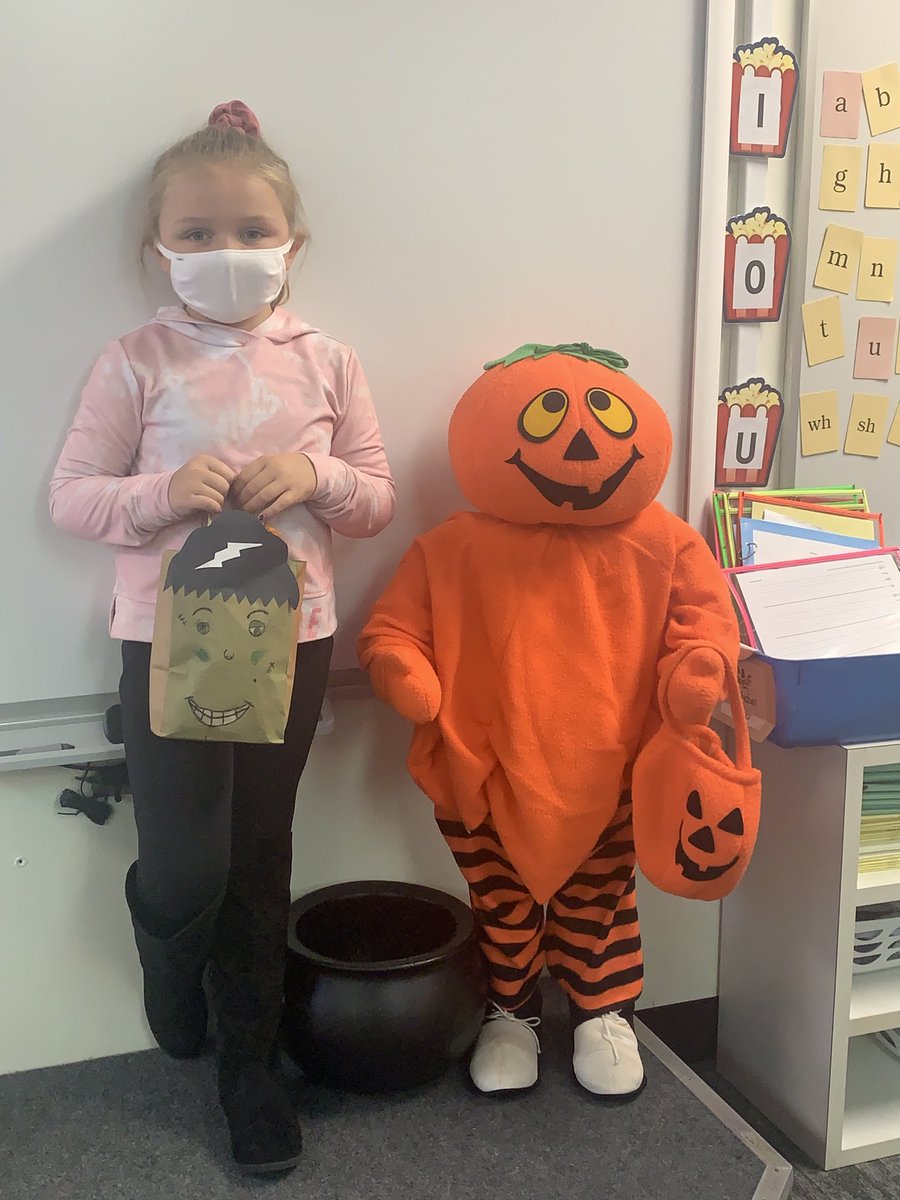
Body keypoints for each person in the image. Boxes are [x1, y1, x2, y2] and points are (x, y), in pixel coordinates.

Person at [49, 99, 395, 1174]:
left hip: (289, 641)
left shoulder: (328, 362)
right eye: (196, 233)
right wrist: (158, 495)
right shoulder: (136, 359)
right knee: (188, 861)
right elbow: (72, 497)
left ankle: (250, 1067)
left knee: (259, 857)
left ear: (292, 243)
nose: (227, 253)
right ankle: (165, 951)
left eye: (251, 231)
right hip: (171, 642)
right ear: (158, 247)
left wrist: (320, 477)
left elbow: (376, 499)